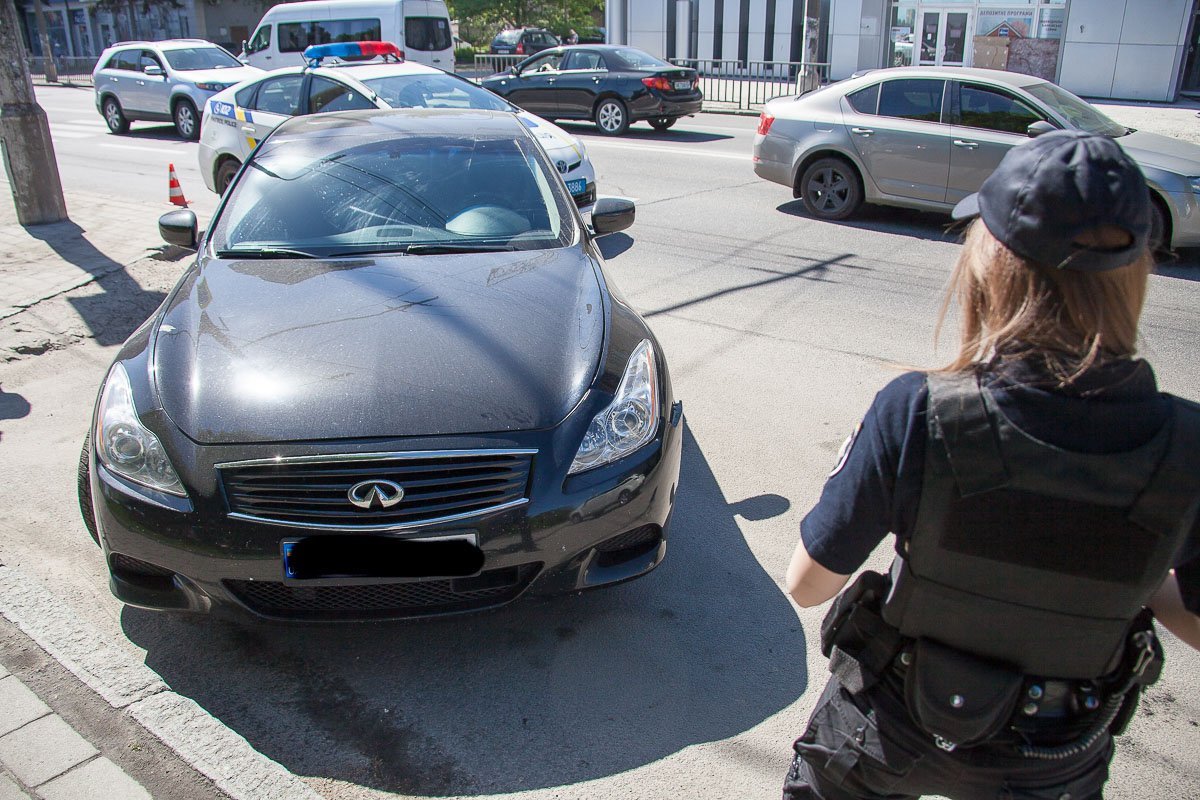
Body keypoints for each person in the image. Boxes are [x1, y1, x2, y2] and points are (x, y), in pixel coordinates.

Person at [782, 129, 1200, 800]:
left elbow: (807, 585)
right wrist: (1128, 561)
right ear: (1135, 271)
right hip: (1054, 750)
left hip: (889, 731)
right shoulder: (1187, 446)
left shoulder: (918, 410)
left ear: (992, 265)